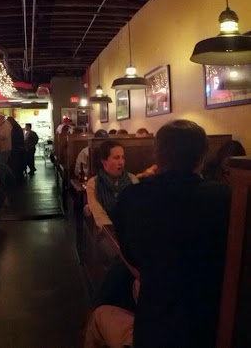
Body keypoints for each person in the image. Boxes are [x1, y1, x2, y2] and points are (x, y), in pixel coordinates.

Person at [87, 120, 231, 347]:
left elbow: (132, 259)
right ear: (202, 157)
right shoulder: (227, 197)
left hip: (157, 329)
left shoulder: (133, 197)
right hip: (215, 325)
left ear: (158, 155)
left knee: (101, 311)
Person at [86, 140, 139, 230]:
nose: (121, 162)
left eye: (123, 157)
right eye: (116, 158)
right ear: (104, 161)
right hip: (106, 232)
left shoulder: (132, 180)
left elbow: (138, 210)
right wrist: (113, 233)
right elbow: (99, 215)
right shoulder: (93, 183)